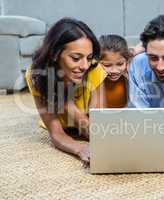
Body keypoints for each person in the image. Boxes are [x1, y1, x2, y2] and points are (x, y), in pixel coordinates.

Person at [25, 17, 106, 163]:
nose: (84, 66)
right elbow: (56, 133)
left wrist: (66, 103)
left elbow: (96, 131)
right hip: (62, 125)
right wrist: (80, 149)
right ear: (55, 54)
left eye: (88, 57)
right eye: (76, 58)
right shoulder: (36, 74)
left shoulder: (95, 69)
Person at [98, 34, 133, 108]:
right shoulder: (94, 78)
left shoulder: (130, 76)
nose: (114, 71)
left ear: (127, 61)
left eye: (120, 64)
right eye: (107, 65)